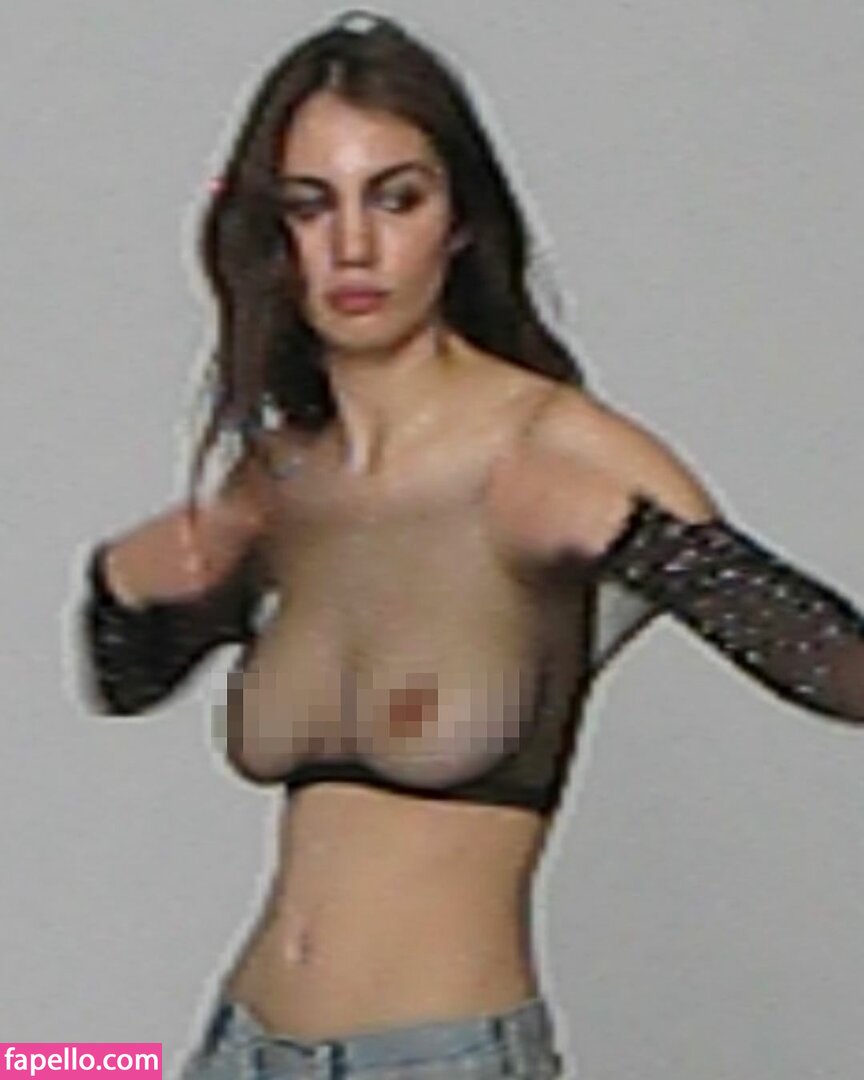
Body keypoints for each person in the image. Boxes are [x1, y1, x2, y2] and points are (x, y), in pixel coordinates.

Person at [79, 10, 864, 1079]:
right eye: (311, 206)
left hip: (441, 1057)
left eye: (395, 198)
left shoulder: (555, 446)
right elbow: (127, 685)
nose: (354, 247)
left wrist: (637, 541)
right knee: (40, 1064)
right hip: (239, 1048)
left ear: (458, 221)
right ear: (274, 236)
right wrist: (121, 590)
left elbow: (842, 669)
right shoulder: (281, 478)